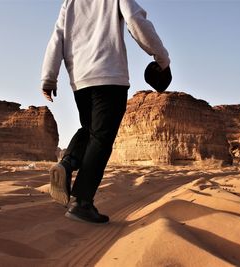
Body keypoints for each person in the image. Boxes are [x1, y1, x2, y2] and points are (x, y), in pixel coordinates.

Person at [41, 0, 170, 224]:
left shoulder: (69, 3)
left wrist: (49, 77)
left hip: (80, 80)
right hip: (110, 76)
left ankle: (68, 162)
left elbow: (57, 37)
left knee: (90, 129)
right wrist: (161, 57)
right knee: (101, 138)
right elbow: (135, 21)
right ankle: (81, 202)